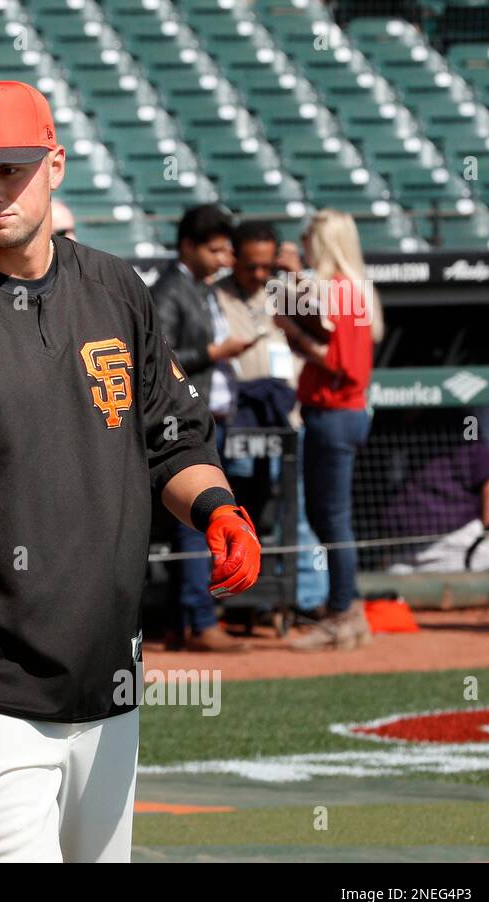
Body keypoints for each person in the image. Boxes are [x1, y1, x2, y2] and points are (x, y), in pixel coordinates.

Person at [0, 80, 261, 863]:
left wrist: (218, 510)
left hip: (109, 681)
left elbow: (172, 439)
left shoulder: (116, 288)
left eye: (10, 169)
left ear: (56, 164)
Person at [151, 204, 256, 651]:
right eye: (214, 249)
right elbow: (159, 360)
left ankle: (188, 622)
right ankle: (199, 622)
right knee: (197, 525)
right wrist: (215, 352)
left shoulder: (200, 287)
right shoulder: (170, 289)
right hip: (183, 426)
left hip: (209, 419)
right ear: (188, 246)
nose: (223, 258)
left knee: (199, 525)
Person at [214, 221, 330, 616]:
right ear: (233, 258)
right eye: (251, 266)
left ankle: (309, 600)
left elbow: (325, 331)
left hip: (284, 419)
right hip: (234, 419)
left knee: (294, 513)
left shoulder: (283, 292)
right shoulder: (214, 295)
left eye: (267, 266)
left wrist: (295, 277)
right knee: (243, 513)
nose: (259, 274)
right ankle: (243, 600)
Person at [276, 210, 376, 651]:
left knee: (332, 520)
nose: (304, 244)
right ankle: (347, 610)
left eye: (309, 237)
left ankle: (342, 613)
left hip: (334, 413)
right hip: (338, 414)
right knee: (327, 518)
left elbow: (341, 365)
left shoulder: (342, 291)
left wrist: (294, 336)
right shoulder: (350, 289)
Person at [382, 411, 489, 573]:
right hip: (402, 552)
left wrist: (486, 539)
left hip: (456, 545)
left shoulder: (465, 421)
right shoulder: (386, 424)